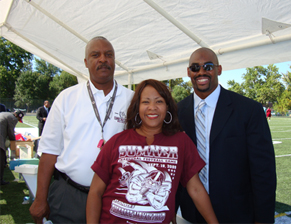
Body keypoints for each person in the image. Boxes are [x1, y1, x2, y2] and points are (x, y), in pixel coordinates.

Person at [29, 36, 134, 224]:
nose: (103, 59)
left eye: (108, 55)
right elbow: (49, 152)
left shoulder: (132, 100)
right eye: (96, 55)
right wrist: (40, 198)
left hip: (115, 197)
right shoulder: (66, 98)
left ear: (114, 60)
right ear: (86, 62)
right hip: (69, 194)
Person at [86, 79, 218, 224]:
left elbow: (196, 190)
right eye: (146, 102)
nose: (152, 107)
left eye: (159, 101)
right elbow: (96, 192)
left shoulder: (181, 142)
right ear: (137, 107)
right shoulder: (116, 141)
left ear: (168, 107)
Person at [176, 47, 276, 223]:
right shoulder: (176, 112)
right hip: (191, 212)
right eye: (195, 67)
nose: (201, 72)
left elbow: (263, 171)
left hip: (236, 213)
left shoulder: (248, 110)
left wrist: (263, 219)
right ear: (188, 72)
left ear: (219, 69)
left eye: (208, 66)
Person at [0, 110, 24, 185]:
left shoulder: (4, 113)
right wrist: (13, 146)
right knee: (1, 160)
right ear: (17, 116)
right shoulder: (12, 118)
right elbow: (11, 133)